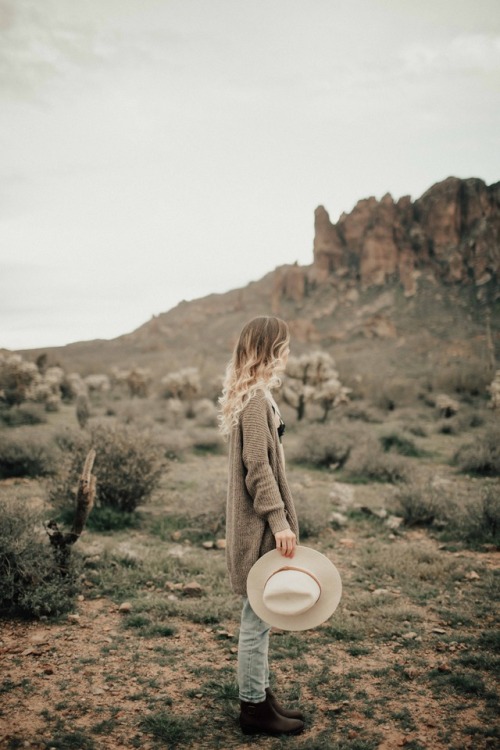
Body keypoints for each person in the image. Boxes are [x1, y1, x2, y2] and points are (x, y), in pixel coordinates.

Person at [218, 316, 304, 736]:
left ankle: (261, 694)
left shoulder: (258, 396)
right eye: (283, 346)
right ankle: (253, 708)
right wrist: (279, 520)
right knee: (256, 619)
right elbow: (258, 469)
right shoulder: (254, 402)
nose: (287, 353)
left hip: (261, 527)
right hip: (259, 529)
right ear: (269, 350)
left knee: (262, 615)